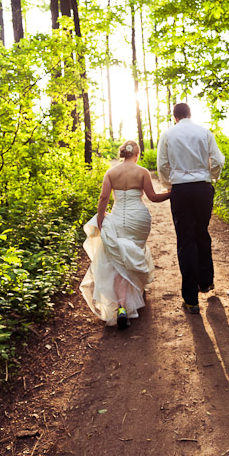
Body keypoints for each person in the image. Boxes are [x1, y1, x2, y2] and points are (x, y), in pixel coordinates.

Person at [80, 139, 171, 330]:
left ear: (123, 153)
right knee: (134, 251)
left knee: (118, 260)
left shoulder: (111, 173)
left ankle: (121, 306)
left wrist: (101, 221)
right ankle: (134, 293)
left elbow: (104, 198)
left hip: (118, 218)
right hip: (138, 219)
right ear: (137, 154)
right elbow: (153, 197)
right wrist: (172, 193)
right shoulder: (142, 172)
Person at [156, 103, 225, 314]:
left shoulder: (168, 134)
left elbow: (162, 165)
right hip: (203, 189)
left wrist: (171, 184)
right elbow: (219, 160)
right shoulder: (204, 132)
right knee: (202, 234)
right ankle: (205, 282)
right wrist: (211, 177)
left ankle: (191, 299)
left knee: (186, 240)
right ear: (190, 114)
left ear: (174, 116)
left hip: (181, 191)